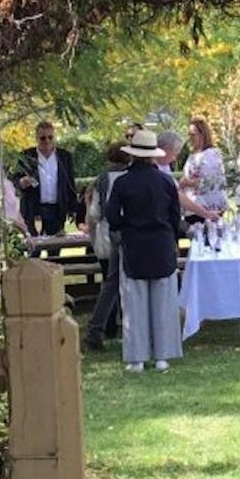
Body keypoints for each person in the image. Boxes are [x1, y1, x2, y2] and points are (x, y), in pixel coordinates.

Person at [105, 129, 184, 372]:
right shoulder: (165, 181)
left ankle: (136, 358)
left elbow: (111, 215)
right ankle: (163, 356)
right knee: (164, 302)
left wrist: (125, 227)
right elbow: (175, 215)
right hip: (161, 244)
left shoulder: (121, 182)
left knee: (135, 303)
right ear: (152, 155)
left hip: (134, 244)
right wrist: (172, 236)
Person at [83, 144, 130, 352]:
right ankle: (124, 327)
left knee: (110, 282)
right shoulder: (128, 177)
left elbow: (94, 213)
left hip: (105, 233)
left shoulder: (101, 180)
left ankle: (100, 328)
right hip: (125, 232)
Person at [11, 120, 83, 249]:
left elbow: (69, 183)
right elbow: (15, 180)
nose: (47, 141)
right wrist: (22, 182)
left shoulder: (64, 156)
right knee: (34, 249)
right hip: (34, 209)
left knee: (55, 249)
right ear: (36, 138)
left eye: (50, 137)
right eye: (43, 138)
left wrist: (72, 208)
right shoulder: (26, 156)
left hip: (56, 209)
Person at [178, 117, 227, 223]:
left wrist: (188, 182)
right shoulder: (193, 154)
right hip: (193, 206)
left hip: (208, 207)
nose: (190, 138)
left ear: (202, 135)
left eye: (193, 134)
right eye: (189, 134)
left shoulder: (211, 154)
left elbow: (212, 181)